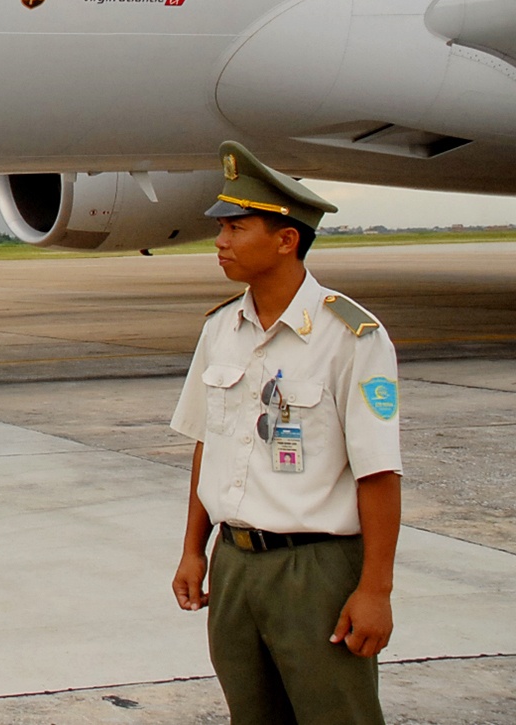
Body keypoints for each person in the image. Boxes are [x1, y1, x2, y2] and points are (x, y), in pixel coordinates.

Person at [170, 141, 401, 725]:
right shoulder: (222, 329)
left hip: (314, 570)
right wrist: (193, 549)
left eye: (235, 227)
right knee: (251, 715)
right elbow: (208, 443)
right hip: (235, 565)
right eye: (220, 227)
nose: (219, 241)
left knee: (336, 714)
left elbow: (378, 472)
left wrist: (375, 589)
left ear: (285, 238)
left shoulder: (351, 336)